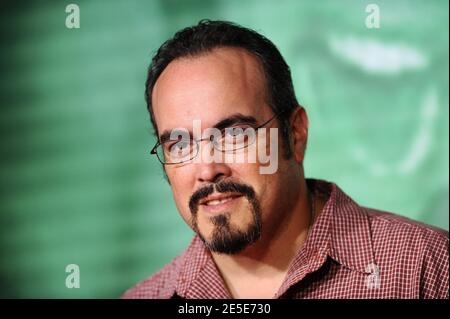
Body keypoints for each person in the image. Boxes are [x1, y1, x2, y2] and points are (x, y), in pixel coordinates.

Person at [123, 20, 448, 299]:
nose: (208, 169)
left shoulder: (425, 267)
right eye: (179, 145)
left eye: (235, 134)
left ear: (295, 134)